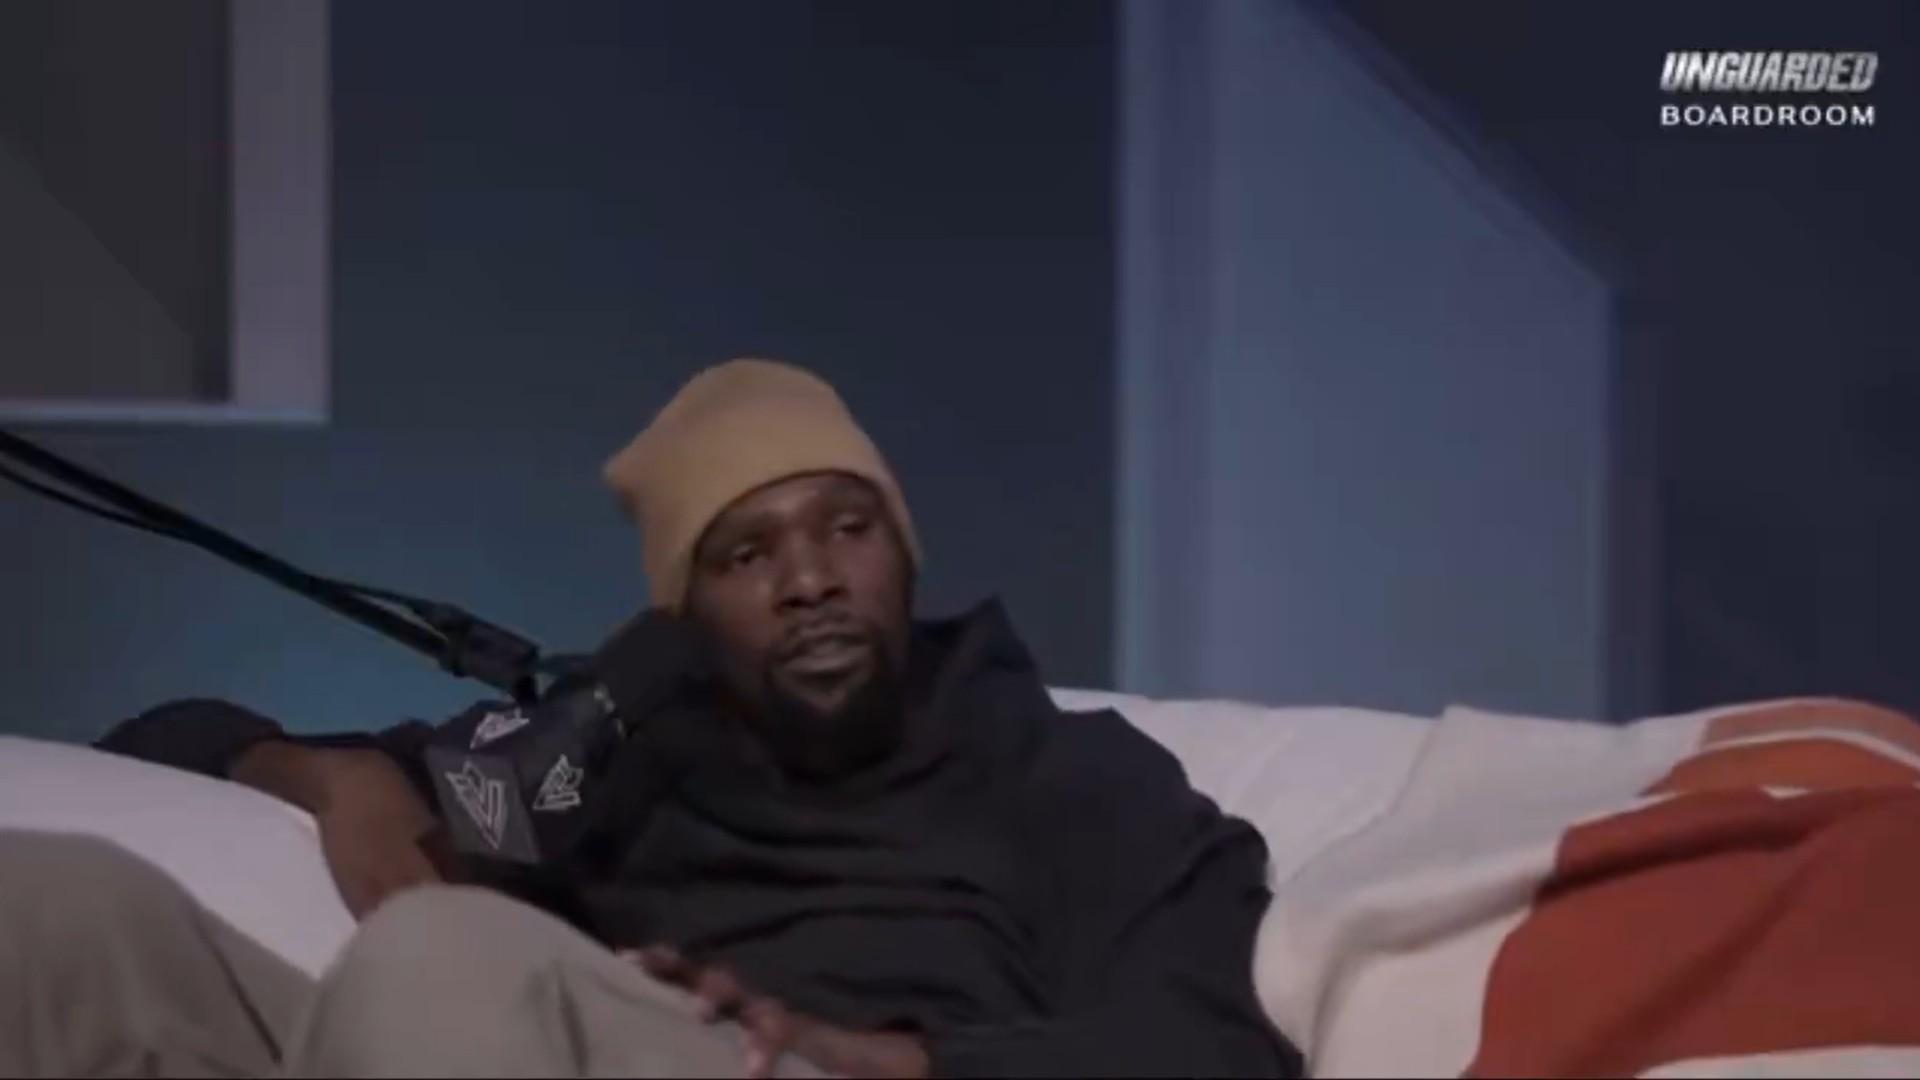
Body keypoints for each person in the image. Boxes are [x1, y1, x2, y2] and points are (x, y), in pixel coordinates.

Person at [2, 359, 1301, 1079]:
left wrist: (890, 1059)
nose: (809, 580)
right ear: (688, 611)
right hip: (501, 1050)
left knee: (443, 954)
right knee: (50, 910)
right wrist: (325, 774)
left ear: (904, 554)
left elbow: (1214, 1046)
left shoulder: (1060, 771)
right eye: (745, 554)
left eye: (847, 528)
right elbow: (167, 737)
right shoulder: (625, 753)